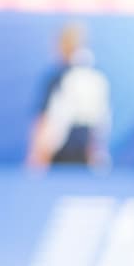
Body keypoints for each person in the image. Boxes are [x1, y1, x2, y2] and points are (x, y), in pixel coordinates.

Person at [27, 21, 112, 171]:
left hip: (60, 153)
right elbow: (101, 123)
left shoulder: (59, 78)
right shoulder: (98, 77)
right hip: (86, 154)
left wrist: (38, 157)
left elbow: (46, 122)